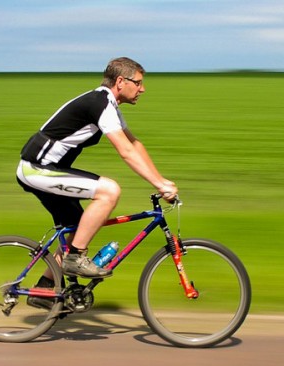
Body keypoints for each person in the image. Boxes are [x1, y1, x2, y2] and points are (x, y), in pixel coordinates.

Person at [16, 57, 178, 300]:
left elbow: (135, 145)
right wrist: (158, 185)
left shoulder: (108, 105)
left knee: (79, 228)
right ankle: (75, 258)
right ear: (121, 81)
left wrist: (162, 180)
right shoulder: (100, 103)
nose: (142, 89)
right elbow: (124, 151)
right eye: (139, 82)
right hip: (36, 169)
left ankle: (43, 290)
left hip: (46, 170)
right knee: (109, 191)